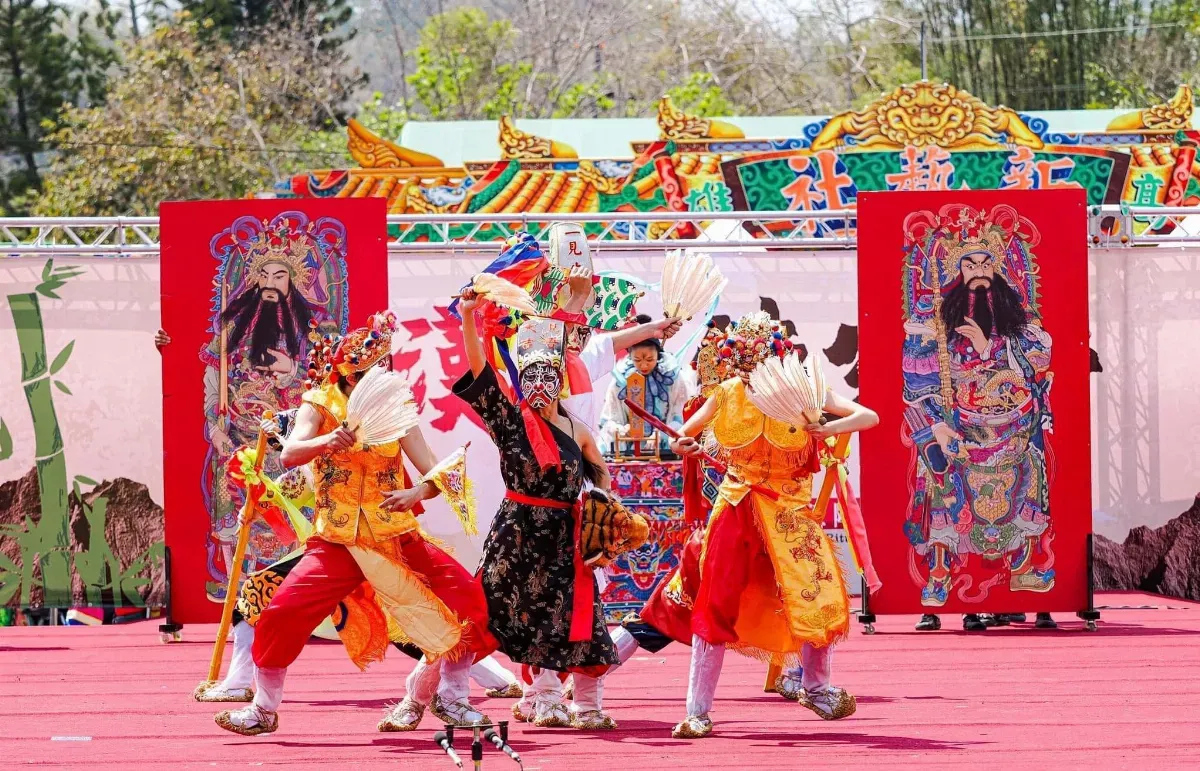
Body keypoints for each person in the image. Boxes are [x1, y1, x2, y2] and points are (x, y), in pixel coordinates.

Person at [213, 311, 496, 736]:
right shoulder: (320, 404)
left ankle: (452, 698)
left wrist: (416, 493)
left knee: (467, 602)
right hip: (338, 541)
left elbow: (435, 472)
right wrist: (327, 440)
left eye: (380, 368)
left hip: (394, 536)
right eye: (365, 372)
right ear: (346, 374)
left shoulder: (396, 409)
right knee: (280, 615)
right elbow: (289, 454)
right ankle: (263, 709)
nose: (374, 377)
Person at [195, 411, 521, 706]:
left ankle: (495, 678)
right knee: (256, 596)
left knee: (414, 624)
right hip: (333, 553)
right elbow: (277, 498)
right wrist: (252, 502)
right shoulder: (308, 467)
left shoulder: (355, 450)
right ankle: (242, 684)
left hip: (373, 546)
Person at [666, 311, 879, 739]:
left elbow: (867, 416)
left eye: (757, 355)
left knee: (815, 593)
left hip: (789, 510)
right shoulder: (726, 393)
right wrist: (684, 444)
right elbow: (681, 436)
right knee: (716, 600)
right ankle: (697, 710)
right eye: (743, 356)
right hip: (738, 504)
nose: (749, 365)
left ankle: (816, 688)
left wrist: (827, 429)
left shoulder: (804, 391)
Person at [454, 295, 620, 730]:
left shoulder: (577, 429)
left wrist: (602, 503)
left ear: (559, 380)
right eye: (533, 377)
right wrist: (470, 317)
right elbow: (479, 370)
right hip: (517, 534)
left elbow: (599, 474)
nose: (542, 384)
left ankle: (584, 704)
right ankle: (524, 696)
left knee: (579, 616)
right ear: (523, 381)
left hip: (566, 534)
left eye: (549, 375)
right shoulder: (508, 420)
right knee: (498, 614)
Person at [598, 314, 692, 455]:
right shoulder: (620, 381)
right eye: (637, 359)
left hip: (665, 450)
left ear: (658, 355)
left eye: (649, 359)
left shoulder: (672, 378)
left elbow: (679, 415)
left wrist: (663, 433)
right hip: (630, 451)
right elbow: (610, 419)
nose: (643, 365)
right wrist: (623, 430)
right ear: (630, 357)